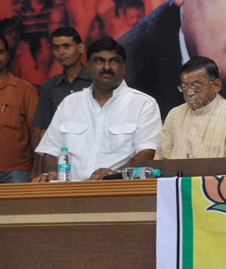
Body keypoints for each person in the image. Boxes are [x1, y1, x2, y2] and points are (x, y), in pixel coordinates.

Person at [34, 38, 162, 181]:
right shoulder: (70, 103)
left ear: (124, 67)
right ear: (87, 67)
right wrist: (51, 172)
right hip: (71, 194)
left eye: (114, 61)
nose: (106, 67)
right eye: (99, 61)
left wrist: (114, 174)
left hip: (119, 192)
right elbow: (51, 151)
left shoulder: (143, 104)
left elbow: (148, 153)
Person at [156, 57, 226, 160]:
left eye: (196, 87)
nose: (189, 93)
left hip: (215, 176)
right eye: (185, 87)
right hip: (176, 176)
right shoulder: (175, 114)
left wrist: (205, 168)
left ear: (216, 85)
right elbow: (161, 160)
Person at [31, 27, 91, 158]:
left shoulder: (96, 82)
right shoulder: (50, 86)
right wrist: (37, 168)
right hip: (58, 157)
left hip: (91, 151)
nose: (61, 52)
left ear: (80, 48)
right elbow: (40, 128)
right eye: (56, 48)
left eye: (66, 46)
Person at [0, 35, 39, 183]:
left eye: (0, 52)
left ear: (7, 55)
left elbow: (36, 133)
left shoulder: (25, 90)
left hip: (17, 172)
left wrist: (37, 169)